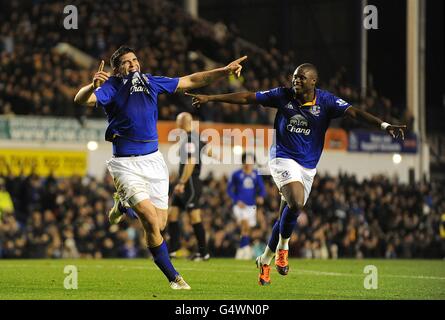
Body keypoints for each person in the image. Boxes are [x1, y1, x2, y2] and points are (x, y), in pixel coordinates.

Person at [186, 63, 406, 286]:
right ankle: (283, 248)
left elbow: (354, 112)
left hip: (308, 167)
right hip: (282, 157)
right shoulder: (282, 95)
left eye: (301, 78)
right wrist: (211, 98)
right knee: (297, 202)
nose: (296, 81)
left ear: (313, 82)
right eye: (294, 77)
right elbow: (247, 98)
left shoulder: (327, 101)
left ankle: (265, 260)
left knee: (285, 215)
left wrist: (384, 125)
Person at [74, 45, 247, 289]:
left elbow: (191, 80)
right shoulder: (111, 86)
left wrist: (225, 71)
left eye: (135, 59)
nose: (133, 64)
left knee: (160, 224)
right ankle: (174, 278)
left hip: (154, 161)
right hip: (125, 163)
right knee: (148, 218)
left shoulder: (150, 81)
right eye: (126, 62)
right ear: (117, 68)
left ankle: (123, 205)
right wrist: (92, 86)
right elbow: (81, 99)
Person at [168, 112, 211, 261]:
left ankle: (203, 252)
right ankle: (173, 249)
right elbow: (209, 150)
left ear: (183, 121)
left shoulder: (189, 139)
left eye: (177, 120)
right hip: (187, 182)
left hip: (190, 182)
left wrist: (181, 183)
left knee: (194, 217)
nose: (176, 122)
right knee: (172, 214)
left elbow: (191, 162)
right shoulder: (195, 137)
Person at [227, 153, 265, 260]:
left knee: (247, 229)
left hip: (251, 206)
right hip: (240, 206)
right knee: (245, 224)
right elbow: (229, 190)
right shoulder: (236, 174)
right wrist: (236, 200)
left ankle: (242, 249)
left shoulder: (256, 174)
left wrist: (261, 196)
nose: (248, 164)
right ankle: (246, 249)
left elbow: (262, 188)